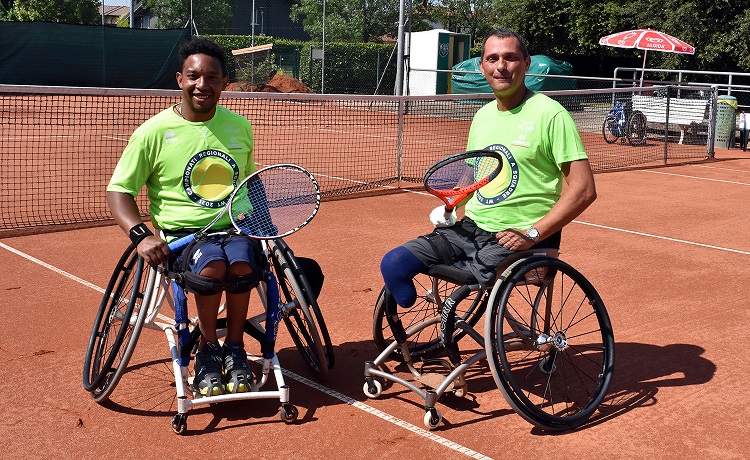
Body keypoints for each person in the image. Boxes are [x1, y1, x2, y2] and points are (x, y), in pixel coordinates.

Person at [380, 28, 597, 310]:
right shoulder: (482, 116)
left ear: (526, 63)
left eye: (511, 58)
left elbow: (584, 190)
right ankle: (422, 342)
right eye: (492, 58)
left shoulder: (551, 114)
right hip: (471, 228)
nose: (501, 66)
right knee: (395, 263)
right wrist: (451, 206)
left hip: (520, 239)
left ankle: (449, 329)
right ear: (482, 66)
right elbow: (475, 173)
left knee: (458, 293)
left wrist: (532, 233)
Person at [107, 36, 258, 396]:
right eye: (194, 76)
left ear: (224, 82)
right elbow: (119, 191)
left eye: (212, 77)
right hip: (182, 236)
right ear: (180, 79)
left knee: (243, 264)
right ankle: (207, 350)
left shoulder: (240, 126)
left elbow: (250, 186)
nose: (202, 85)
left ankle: (234, 349)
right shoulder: (152, 132)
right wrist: (141, 235)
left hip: (234, 229)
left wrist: (264, 229)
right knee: (211, 269)